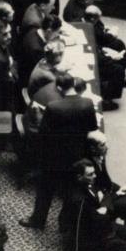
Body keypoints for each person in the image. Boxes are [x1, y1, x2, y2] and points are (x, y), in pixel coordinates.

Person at [20, 73, 98, 229]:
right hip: (77, 156)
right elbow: (91, 128)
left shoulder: (53, 107)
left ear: (59, 88)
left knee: (45, 191)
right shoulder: (88, 103)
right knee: (71, 190)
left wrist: (39, 116)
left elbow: (43, 133)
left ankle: (38, 221)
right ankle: (65, 224)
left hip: (53, 158)